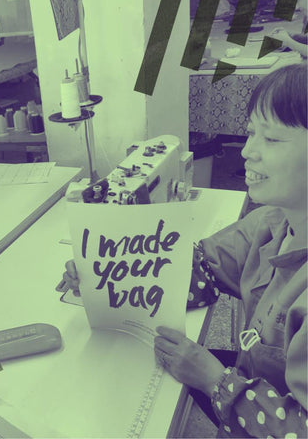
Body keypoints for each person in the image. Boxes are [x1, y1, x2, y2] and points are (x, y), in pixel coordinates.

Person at [63, 62, 307, 438]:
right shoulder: (272, 224)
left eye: (271, 139)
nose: (246, 151)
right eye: (250, 134)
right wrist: (109, 271)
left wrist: (216, 381)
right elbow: (200, 271)